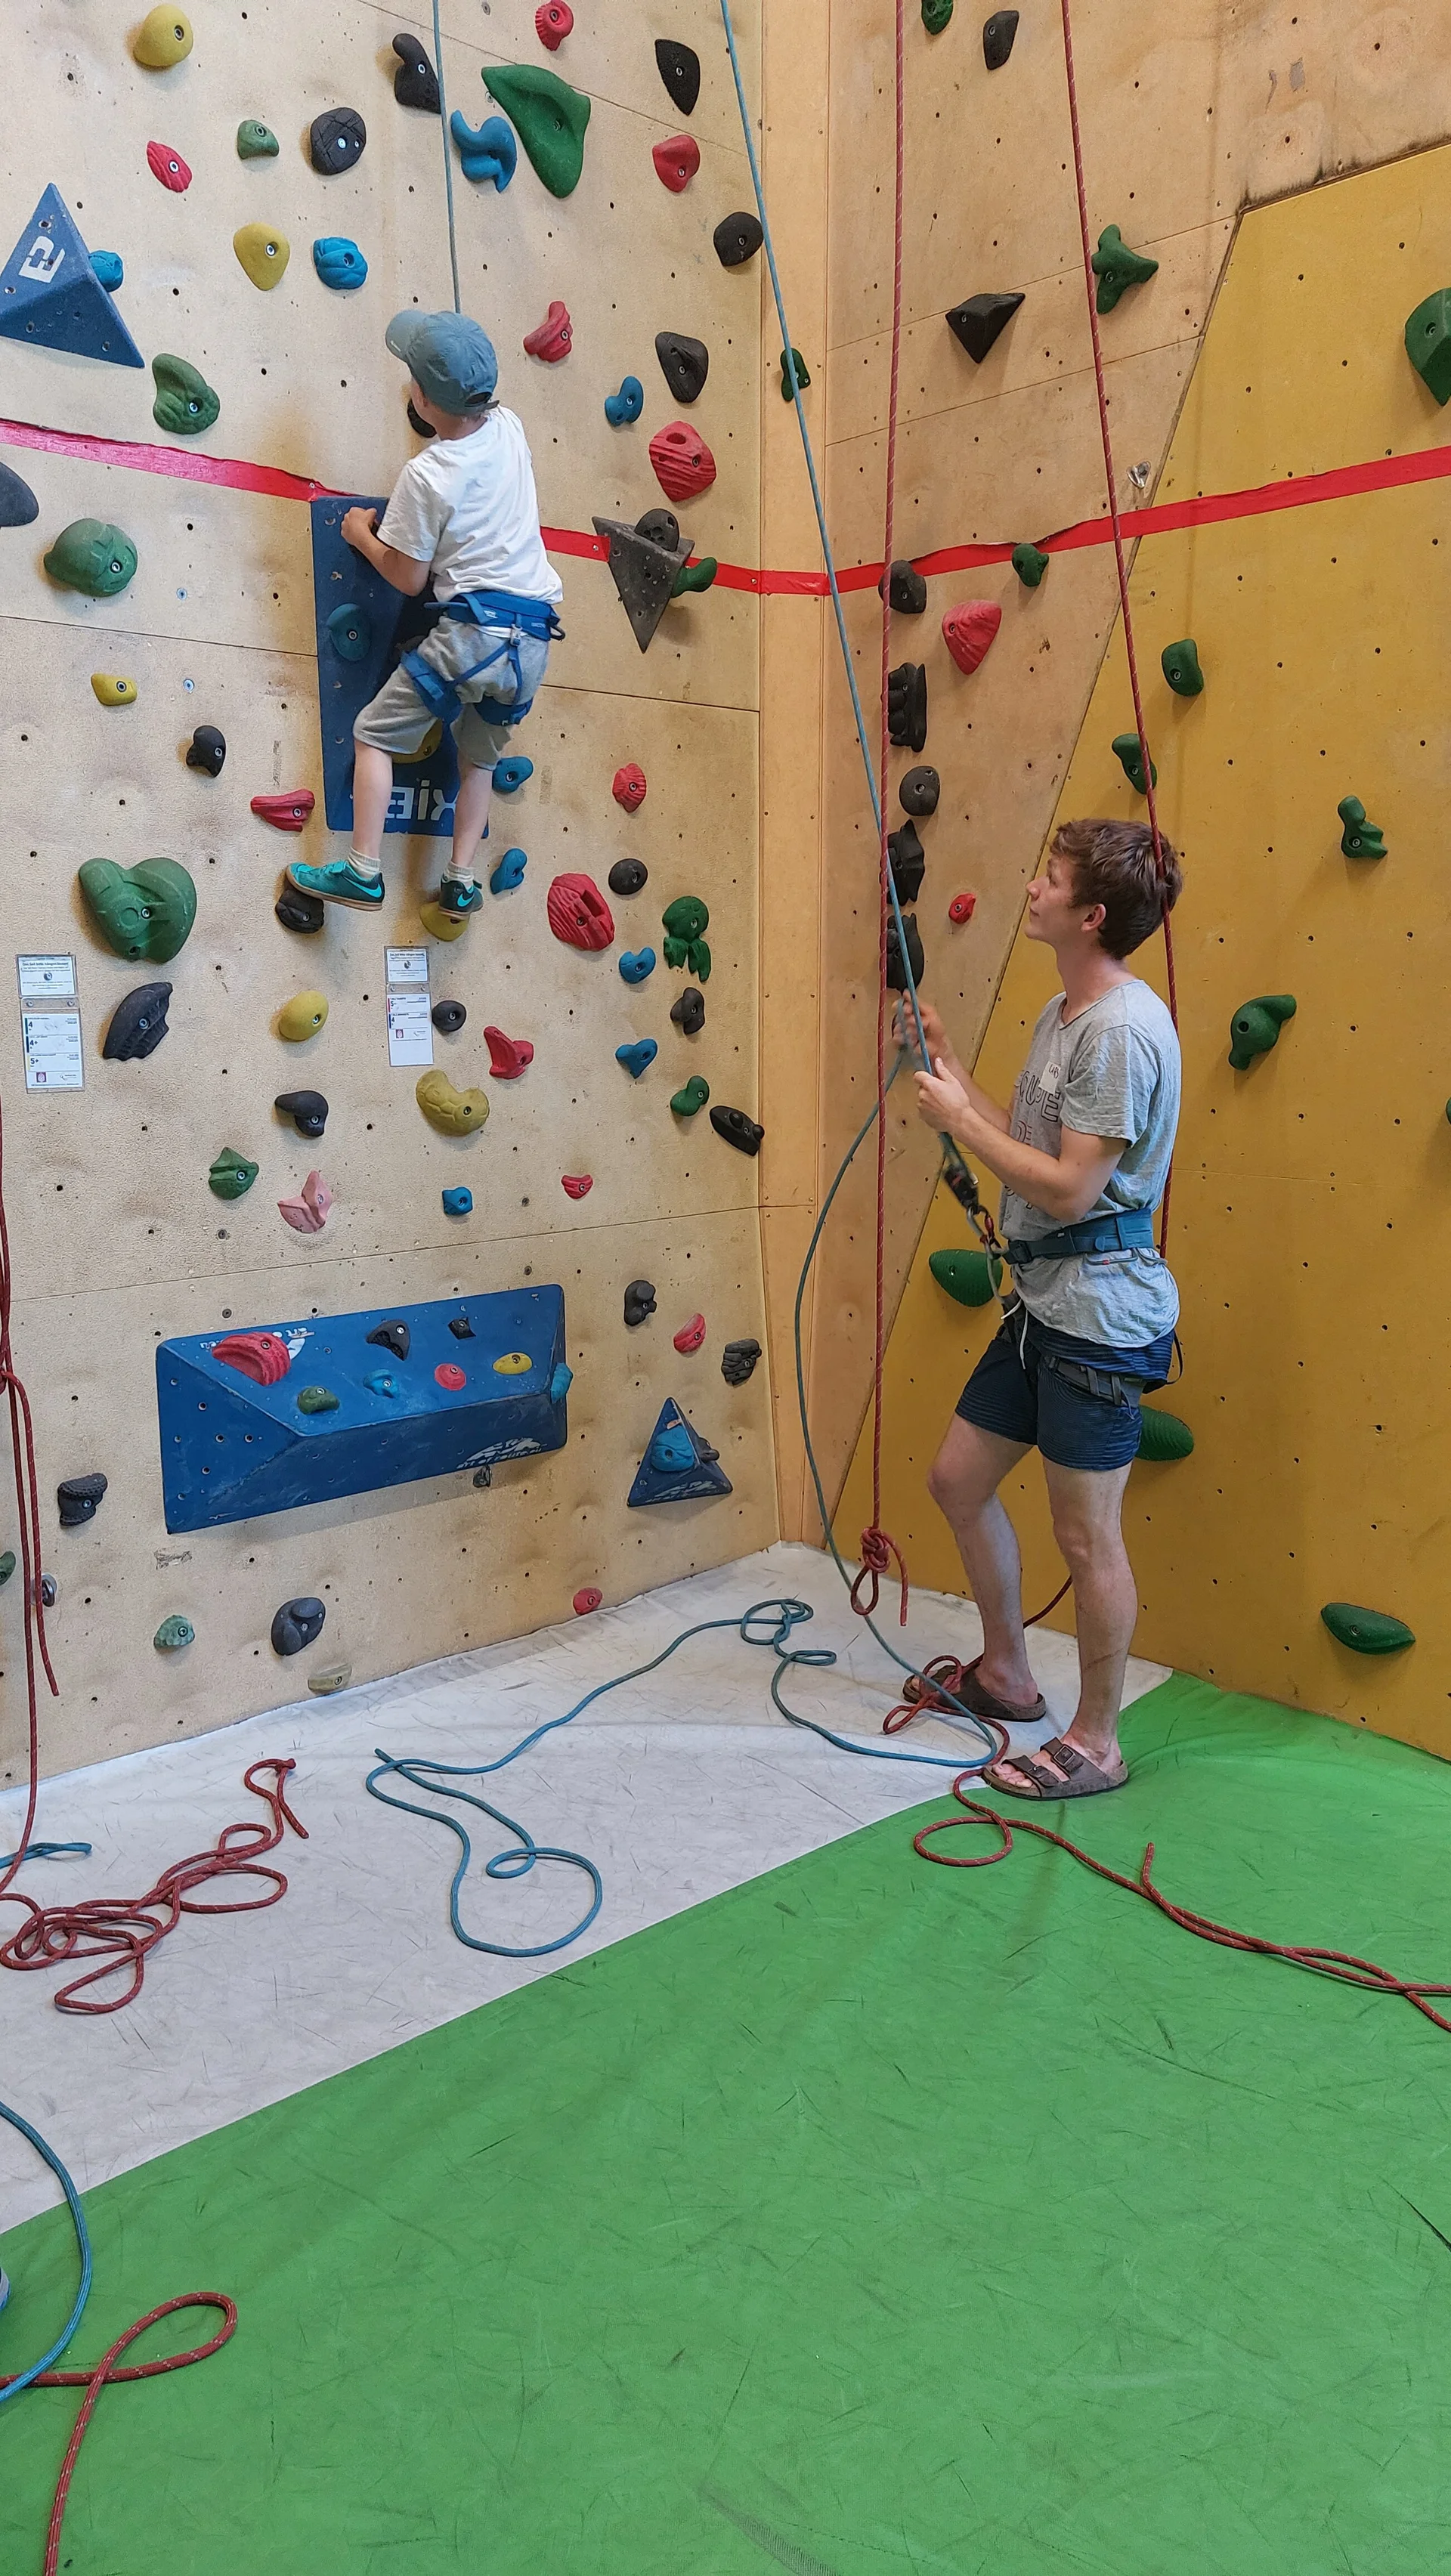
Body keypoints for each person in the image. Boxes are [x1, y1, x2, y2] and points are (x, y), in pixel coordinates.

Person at [909, 815, 1183, 1799]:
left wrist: (957, 1125)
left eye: (1051, 877)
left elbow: (1069, 1191)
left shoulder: (1116, 1032)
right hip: (1045, 1307)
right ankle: (1007, 1674)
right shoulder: (1066, 1012)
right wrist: (952, 1074)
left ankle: (1098, 1741)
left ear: (1092, 913)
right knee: (957, 1479)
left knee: (1086, 1536)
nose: (1034, 886)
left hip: (1097, 1321)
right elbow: (1021, 1138)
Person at [287, 311, 564, 925]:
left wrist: (362, 535)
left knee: (374, 734)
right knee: (480, 760)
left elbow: (410, 576)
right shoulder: (511, 426)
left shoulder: (427, 475)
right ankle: (461, 880)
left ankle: (362, 870)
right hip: (535, 639)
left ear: (419, 396)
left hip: (474, 630)